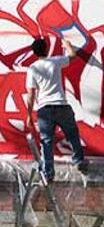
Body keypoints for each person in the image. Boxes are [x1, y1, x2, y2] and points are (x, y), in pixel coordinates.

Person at [26, 38, 88, 182]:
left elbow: (31, 94)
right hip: (61, 105)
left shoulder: (33, 69)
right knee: (72, 134)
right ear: (46, 49)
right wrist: (67, 45)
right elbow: (73, 56)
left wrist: (29, 114)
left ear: (34, 52)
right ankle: (78, 161)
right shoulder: (55, 61)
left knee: (46, 142)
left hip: (44, 110)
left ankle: (48, 174)